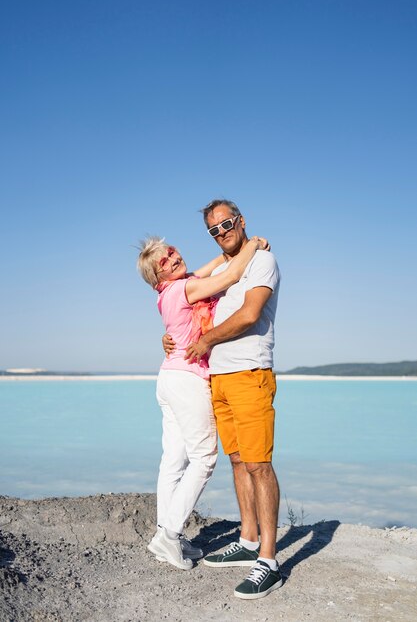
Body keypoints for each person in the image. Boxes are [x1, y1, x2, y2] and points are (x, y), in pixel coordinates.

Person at [163, 199, 282, 599]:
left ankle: (268, 559)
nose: (221, 232)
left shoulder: (262, 261)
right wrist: (175, 340)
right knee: (236, 460)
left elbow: (249, 315)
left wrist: (206, 340)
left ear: (241, 221)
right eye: (213, 230)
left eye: (226, 224)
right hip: (218, 377)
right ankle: (248, 539)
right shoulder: (228, 268)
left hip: (250, 373)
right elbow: (189, 306)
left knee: (259, 464)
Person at [137, 233, 268, 571]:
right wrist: (252, 247)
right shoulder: (184, 289)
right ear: (157, 279)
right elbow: (230, 276)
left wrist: (240, 246)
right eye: (163, 263)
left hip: (168, 378)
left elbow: (218, 264)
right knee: (204, 457)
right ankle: (170, 533)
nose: (172, 259)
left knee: (174, 460)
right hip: (188, 380)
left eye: (171, 252)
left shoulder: (174, 289)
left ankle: (166, 534)